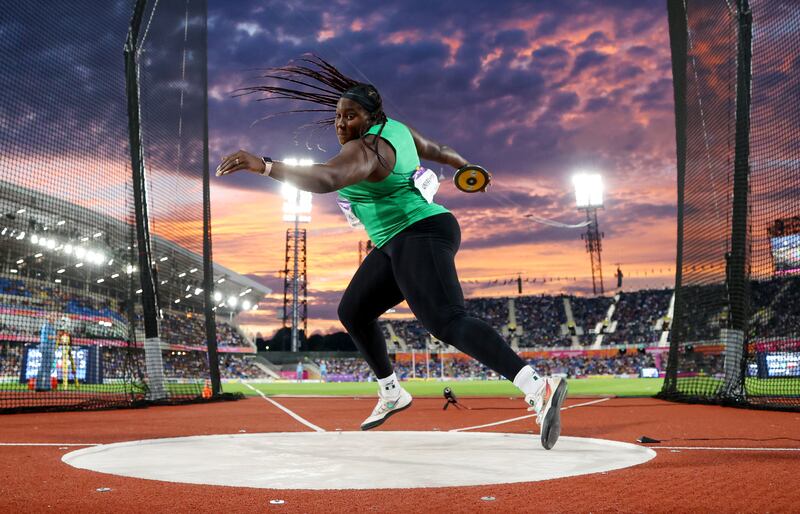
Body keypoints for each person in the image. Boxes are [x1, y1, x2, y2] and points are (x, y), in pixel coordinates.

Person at [216, 55, 568, 449]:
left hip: (420, 232)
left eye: (349, 117)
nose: (340, 124)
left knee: (447, 321)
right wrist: (466, 166)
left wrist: (265, 165)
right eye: (337, 116)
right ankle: (391, 392)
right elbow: (436, 147)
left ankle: (537, 386)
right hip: (397, 241)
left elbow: (327, 178)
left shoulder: (367, 150)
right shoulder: (398, 130)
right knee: (353, 310)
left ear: (369, 118)